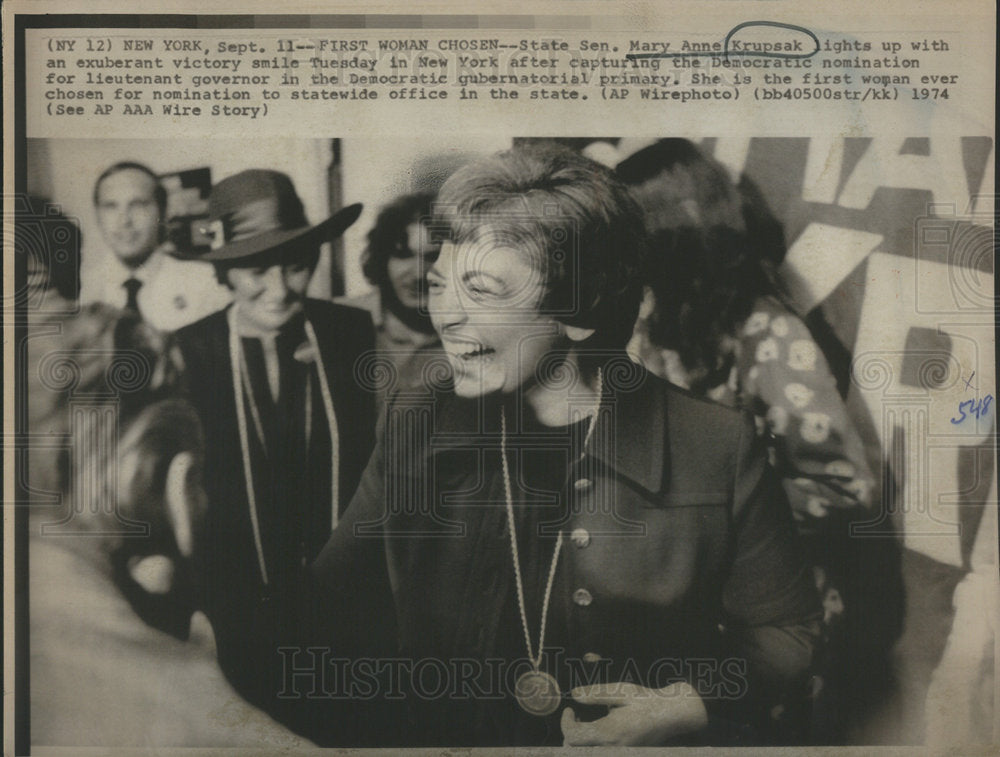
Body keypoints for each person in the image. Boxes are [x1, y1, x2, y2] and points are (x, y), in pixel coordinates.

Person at [309, 145, 821, 747]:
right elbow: (328, 606)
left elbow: (787, 631)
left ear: (579, 309)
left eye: (482, 289)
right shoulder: (419, 418)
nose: (443, 314)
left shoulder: (715, 443)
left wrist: (691, 703)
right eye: (440, 283)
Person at [172, 169, 376, 712]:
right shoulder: (189, 352)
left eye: (296, 266)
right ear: (225, 273)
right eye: (257, 270)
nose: (281, 289)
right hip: (236, 614)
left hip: (348, 614)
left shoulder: (351, 335)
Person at [81, 161, 231, 331]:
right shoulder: (83, 290)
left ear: (162, 212)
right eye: (111, 207)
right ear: (98, 217)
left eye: (138, 205)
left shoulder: (206, 282)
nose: (124, 221)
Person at [339, 192, 443, 402]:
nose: (418, 274)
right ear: (381, 258)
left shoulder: (475, 332)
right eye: (403, 255)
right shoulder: (339, 321)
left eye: (434, 256)